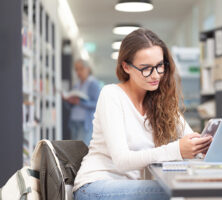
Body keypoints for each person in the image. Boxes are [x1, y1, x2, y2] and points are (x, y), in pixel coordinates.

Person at [73, 29, 212, 200]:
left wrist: (203, 147)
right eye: (146, 68)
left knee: (187, 186)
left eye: (160, 66)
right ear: (126, 67)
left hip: (131, 187)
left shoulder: (160, 102)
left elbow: (190, 137)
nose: (155, 75)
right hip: (95, 186)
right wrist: (177, 149)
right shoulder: (111, 95)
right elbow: (122, 160)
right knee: (175, 190)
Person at [63, 59, 101, 146]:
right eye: (76, 69)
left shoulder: (93, 84)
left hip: (85, 124)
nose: (78, 72)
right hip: (74, 122)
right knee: (74, 150)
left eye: (81, 69)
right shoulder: (76, 85)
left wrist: (80, 102)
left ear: (88, 69)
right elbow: (72, 106)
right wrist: (68, 100)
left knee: (81, 151)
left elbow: (97, 104)